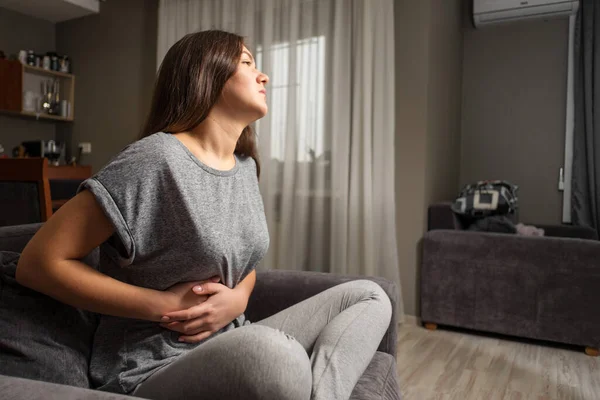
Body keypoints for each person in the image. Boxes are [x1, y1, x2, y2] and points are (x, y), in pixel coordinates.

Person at [15, 30, 392, 400]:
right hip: (152, 365)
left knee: (370, 297)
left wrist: (238, 299)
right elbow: (38, 262)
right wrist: (164, 306)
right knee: (279, 357)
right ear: (206, 74)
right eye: (247, 63)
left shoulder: (244, 167)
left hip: (232, 337)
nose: (264, 76)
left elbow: (242, 263)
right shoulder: (154, 160)